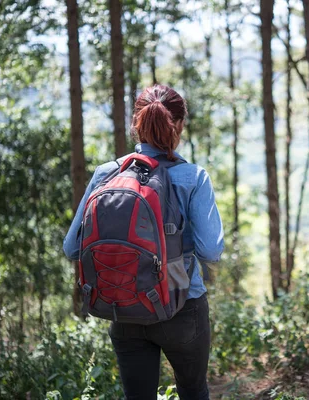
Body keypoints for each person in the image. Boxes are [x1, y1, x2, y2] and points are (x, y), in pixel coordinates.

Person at [63, 84, 224, 400]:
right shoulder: (193, 177)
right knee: (193, 391)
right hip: (182, 304)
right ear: (178, 124)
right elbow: (210, 251)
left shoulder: (106, 174)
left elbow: (72, 248)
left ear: (136, 122)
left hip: (124, 304)